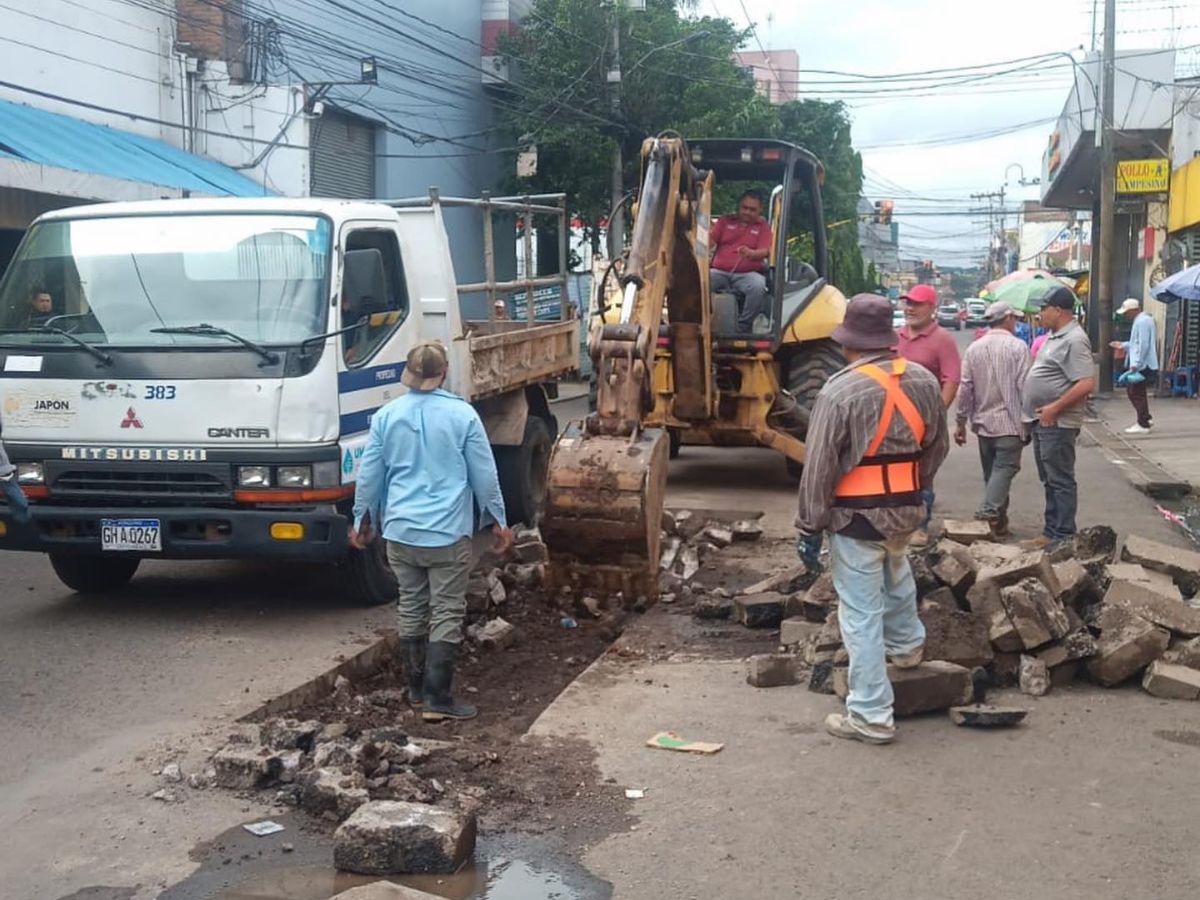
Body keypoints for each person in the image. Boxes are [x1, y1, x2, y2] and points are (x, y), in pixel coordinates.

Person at [797, 294, 949, 745]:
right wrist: (915, 488)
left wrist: (809, 525)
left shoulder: (839, 390)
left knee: (861, 613)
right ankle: (907, 648)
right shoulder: (922, 380)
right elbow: (937, 446)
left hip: (856, 518)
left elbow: (819, 466)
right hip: (906, 508)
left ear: (848, 344)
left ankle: (870, 715)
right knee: (897, 570)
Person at [350, 341, 513, 721]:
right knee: (446, 611)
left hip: (401, 534)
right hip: (446, 534)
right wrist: (499, 522)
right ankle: (438, 698)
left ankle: (415, 691)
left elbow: (370, 476)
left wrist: (361, 521)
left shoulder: (385, 417)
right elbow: (485, 477)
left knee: (411, 605)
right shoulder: (464, 417)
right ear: (442, 375)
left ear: (408, 375)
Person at [1021, 286, 1095, 546]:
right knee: (1049, 479)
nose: (1040, 314)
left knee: (1060, 479)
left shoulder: (1075, 339)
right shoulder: (1055, 337)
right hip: (1043, 420)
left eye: (1044, 308)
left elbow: (1086, 383)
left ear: (1058, 310)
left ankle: (1063, 535)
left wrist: (1055, 407)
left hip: (1058, 421)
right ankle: (1051, 531)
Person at [955, 301, 1032, 539]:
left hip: (984, 425)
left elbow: (965, 388)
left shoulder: (974, 349)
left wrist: (960, 421)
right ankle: (987, 514)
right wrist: (1029, 420)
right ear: (1008, 319)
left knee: (994, 475)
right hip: (1010, 423)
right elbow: (1026, 388)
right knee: (1003, 471)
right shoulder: (1018, 347)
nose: (1016, 323)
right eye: (1015, 319)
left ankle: (1000, 524)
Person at [896, 283, 961, 546]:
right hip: (894, 420)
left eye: (916, 304)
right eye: (907, 303)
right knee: (895, 471)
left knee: (923, 473)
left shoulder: (942, 340)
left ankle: (920, 526)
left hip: (925, 422)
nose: (910, 308)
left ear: (932, 308)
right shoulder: (896, 337)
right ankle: (897, 521)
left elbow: (952, 379)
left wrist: (937, 415)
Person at [709, 189, 773, 333]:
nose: (747, 212)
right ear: (739, 206)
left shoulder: (763, 227)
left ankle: (743, 327)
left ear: (759, 210)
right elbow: (710, 241)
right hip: (719, 272)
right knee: (700, 281)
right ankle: (701, 321)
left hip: (747, 274)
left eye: (752, 209)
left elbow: (765, 251)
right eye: (744, 208)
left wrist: (752, 253)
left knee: (758, 286)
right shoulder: (725, 221)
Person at [1110, 297, 1158, 435]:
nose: (1126, 315)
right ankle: (1145, 418)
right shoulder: (1144, 320)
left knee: (1135, 392)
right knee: (1138, 392)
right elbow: (1137, 343)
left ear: (1134, 310)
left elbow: (1143, 344)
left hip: (1142, 363)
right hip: (1143, 362)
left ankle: (1143, 423)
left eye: (1127, 312)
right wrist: (1123, 345)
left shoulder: (1142, 321)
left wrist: (1136, 364)